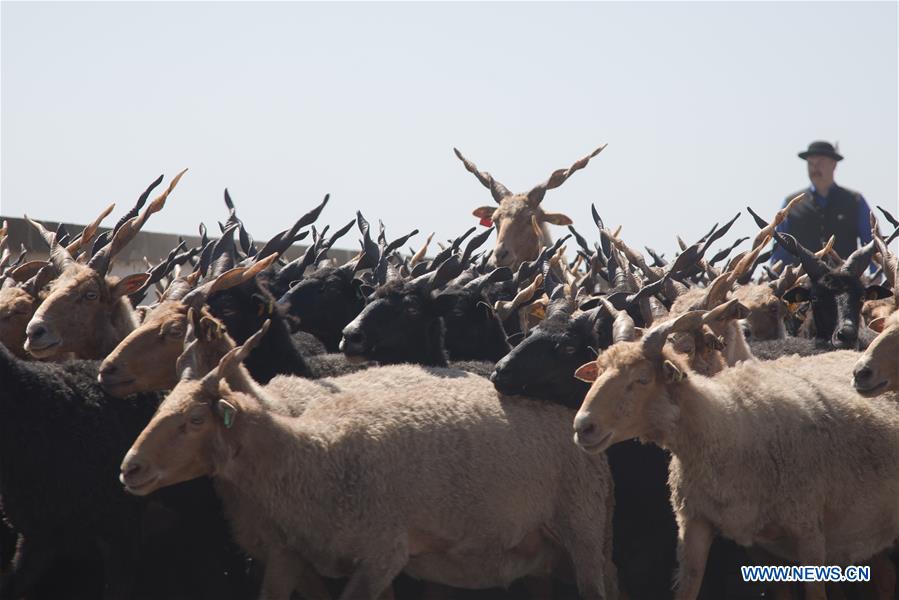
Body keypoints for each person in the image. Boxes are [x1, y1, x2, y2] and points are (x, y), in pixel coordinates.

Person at [771, 140, 872, 266]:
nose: (815, 168)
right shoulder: (791, 204)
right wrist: (775, 273)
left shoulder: (855, 201)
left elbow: (871, 246)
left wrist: (876, 275)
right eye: (810, 163)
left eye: (820, 162)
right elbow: (779, 253)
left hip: (845, 277)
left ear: (834, 164)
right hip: (801, 278)